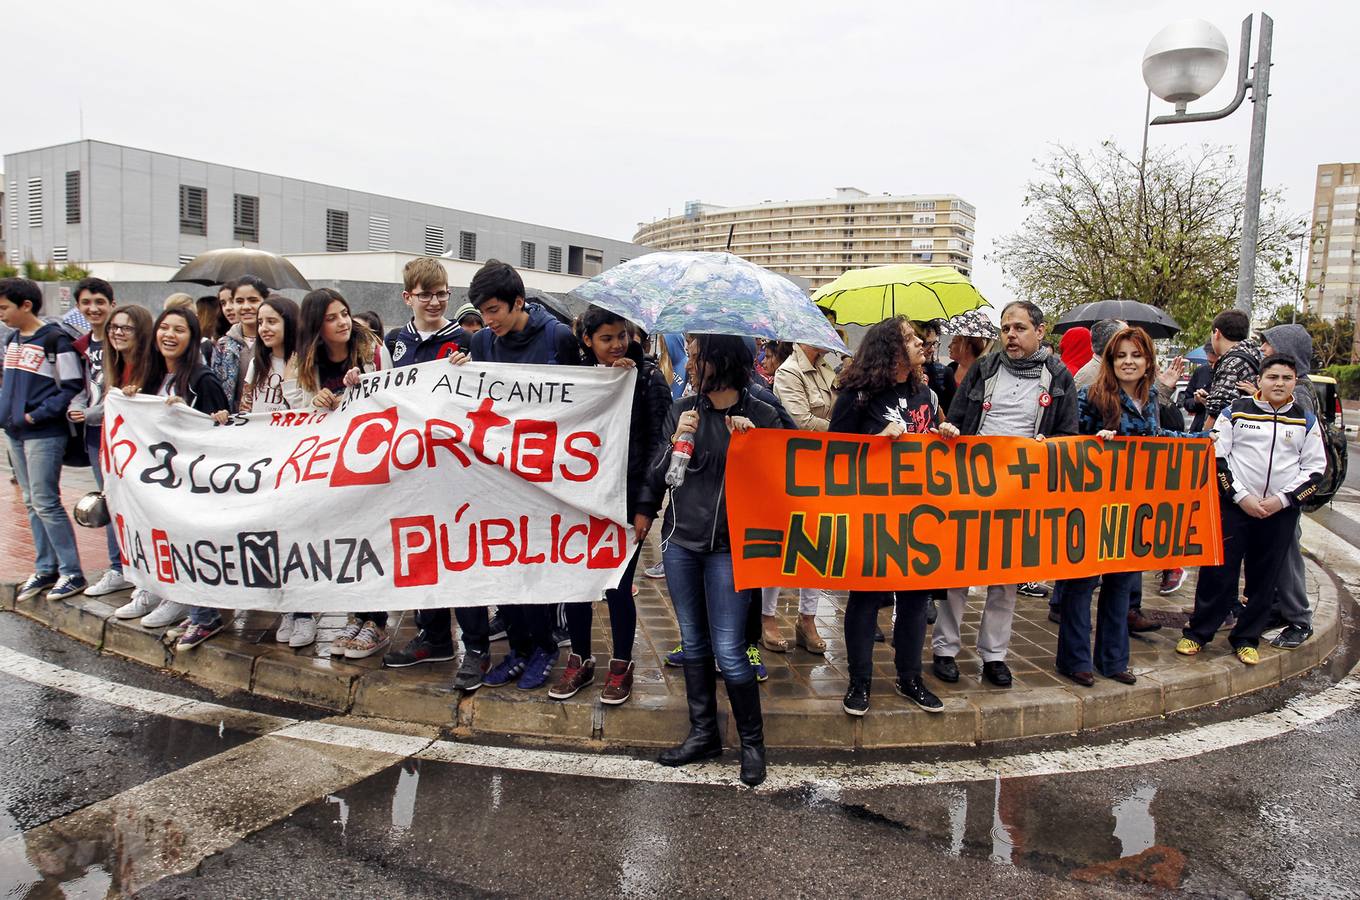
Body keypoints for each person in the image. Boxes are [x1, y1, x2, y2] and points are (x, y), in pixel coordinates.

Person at [640, 334, 783, 787]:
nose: (692, 363)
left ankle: (752, 745)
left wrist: (757, 443)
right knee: (694, 642)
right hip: (681, 542)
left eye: (699, 357)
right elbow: (658, 474)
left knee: (730, 650)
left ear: (721, 362)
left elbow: (794, 469)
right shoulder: (683, 408)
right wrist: (677, 438)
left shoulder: (761, 410)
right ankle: (703, 734)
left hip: (730, 549)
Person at [451, 260, 582, 691]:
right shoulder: (484, 342)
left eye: (494, 310)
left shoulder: (557, 337)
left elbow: (580, 401)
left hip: (545, 476)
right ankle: (520, 649)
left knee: (535, 567)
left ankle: (545, 646)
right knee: (502, 564)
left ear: (519, 302)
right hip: (499, 476)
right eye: (483, 313)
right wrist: (459, 370)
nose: (489, 321)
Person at [936, 300, 1079, 688]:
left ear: (1040, 331)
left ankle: (995, 656)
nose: (1011, 336)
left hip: (1021, 493)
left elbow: (1068, 435)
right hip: (974, 486)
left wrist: (1046, 446)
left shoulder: (1060, 376)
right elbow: (960, 421)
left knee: (1006, 578)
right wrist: (953, 433)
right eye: (1005, 329)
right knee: (958, 571)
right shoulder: (984, 369)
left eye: (1019, 328)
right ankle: (945, 649)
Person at [1057, 327, 1204, 687]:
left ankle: (1113, 659)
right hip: (1093, 506)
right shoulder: (1089, 396)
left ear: (1148, 361)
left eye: (1135, 355)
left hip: (1133, 505)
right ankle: (1073, 660)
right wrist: (1094, 441)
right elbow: (1068, 442)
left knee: (1121, 584)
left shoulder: (1150, 397)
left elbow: (1155, 439)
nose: (1128, 362)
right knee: (1081, 584)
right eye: (1121, 355)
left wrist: (1200, 440)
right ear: (1110, 361)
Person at [830, 317, 957, 715]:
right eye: (910, 338)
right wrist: (874, 441)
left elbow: (931, 434)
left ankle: (910, 677)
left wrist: (944, 432)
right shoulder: (858, 395)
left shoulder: (924, 391)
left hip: (918, 516)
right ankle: (860, 681)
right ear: (890, 348)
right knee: (866, 598)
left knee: (916, 599)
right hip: (873, 514)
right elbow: (833, 454)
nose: (920, 342)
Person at [549, 307, 671, 704]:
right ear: (587, 341)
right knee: (577, 583)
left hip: (626, 499)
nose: (617, 344)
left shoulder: (648, 378)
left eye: (622, 335)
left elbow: (659, 447)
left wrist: (645, 508)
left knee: (619, 585)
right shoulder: (576, 376)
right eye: (606, 338)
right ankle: (580, 658)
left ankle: (621, 664)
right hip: (580, 497)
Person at [1178, 355, 1325, 665]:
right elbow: (1218, 457)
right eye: (1273, 377)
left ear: (1294, 382)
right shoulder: (1235, 413)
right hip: (1235, 507)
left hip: (1279, 512)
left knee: (1263, 579)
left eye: (1286, 378)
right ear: (1260, 380)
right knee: (1219, 572)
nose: (1279, 383)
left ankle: (1246, 638)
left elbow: (1314, 470)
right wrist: (1240, 496)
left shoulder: (1305, 420)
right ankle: (1198, 633)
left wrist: (1282, 500)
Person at [380, 258, 477, 675]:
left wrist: (469, 371)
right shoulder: (393, 341)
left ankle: (474, 644)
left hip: (455, 466)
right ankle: (433, 635)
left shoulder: (466, 342)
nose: (435, 301)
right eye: (426, 295)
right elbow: (380, 394)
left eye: (441, 294)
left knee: (461, 552)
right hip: (411, 466)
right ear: (408, 297)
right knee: (421, 550)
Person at [288, 288, 394, 658]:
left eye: (344, 313)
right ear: (316, 326)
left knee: (373, 540)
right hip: (330, 469)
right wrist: (317, 402)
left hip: (371, 463)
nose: (343, 322)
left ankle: (376, 621)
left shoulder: (373, 352)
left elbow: (393, 399)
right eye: (332, 317)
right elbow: (296, 413)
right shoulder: (303, 362)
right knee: (348, 544)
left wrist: (361, 390)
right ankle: (355, 614)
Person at [137, 308, 233, 649]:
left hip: (193, 482)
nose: (169, 334)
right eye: (164, 327)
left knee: (191, 545)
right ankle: (194, 612)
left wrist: (190, 414)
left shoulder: (201, 380)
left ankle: (204, 616)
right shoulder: (153, 377)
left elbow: (220, 429)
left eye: (180, 329)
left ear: (193, 338)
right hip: (164, 481)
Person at [0, 277, 88, 603]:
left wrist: (35, 415)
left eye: (4, 307)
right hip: (15, 432)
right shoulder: (13, 339)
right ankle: (46, 567)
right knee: (31, 502)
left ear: (26, 305)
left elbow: (71, 385)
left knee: (46, 501)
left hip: (43, 432)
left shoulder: (54, 340)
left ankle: (72, 571)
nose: (1, 314)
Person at [101, 306, 177, 625]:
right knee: (134, 518)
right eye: (114, 328)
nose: (118, 333)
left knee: (163, 525)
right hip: (130, 459)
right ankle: (147, 586)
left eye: (126, 328)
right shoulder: (118, 366)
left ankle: (170, 593)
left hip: (158, 462)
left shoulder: (152, 369)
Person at [767, 339, 839, 653]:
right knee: (783, 544)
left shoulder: (828, 369)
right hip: (793, 467)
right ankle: (767, 616)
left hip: (824, 468)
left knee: (818, 543)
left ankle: (807, 618)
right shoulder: (788, 371)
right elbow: (802, 422)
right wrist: (845, 431)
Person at [65, 278, 133, 598]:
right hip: (95, 435)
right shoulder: (82, 345)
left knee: (130, 500)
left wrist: (92, 412)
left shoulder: (122, 341)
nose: (93, 308)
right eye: (86, 303)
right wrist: (77, 407)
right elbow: (86, 387)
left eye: (99, 302)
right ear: (78, 307)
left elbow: (124, 391)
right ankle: (118, 567)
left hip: (123, 432)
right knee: (107, 498)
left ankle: (132, 568)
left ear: (112, 304)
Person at [1259, 324, 1320, 650]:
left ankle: (1300, 619)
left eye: (1269, 345)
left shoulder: (1298, 395)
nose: (1264, 351)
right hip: (1275, 494)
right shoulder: (1298, 389)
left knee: (1286, 556)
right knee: (1276, 554)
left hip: (1284, 496)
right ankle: (1280, 608)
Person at [212, 275, 269, 411]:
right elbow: (216, 389)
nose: (246, 307)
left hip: (270, 421)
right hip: (233, 424)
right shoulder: (223, 345)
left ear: (265, 301)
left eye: (253, 300)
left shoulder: (275, 342)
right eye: (239, 301)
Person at [1201, 309, 1260, 429]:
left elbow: (1218, 410)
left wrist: (1205, 437)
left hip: (1231, 436)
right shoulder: (1254, 355)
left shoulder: (1231, 364)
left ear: (1217, 333)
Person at [941, 332, 987, 414]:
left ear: (967, 347)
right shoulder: (951, 367)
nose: (949, 346)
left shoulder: (982, 374)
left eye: (954, 342)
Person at [1182, 342, 1218, 433]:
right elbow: (1187, 401)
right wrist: (1196, 401)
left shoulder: (1232, 374)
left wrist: (1208, 402)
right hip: (1199, 428)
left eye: (1217, 363)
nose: (1213, 367)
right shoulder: (1201, 372)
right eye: (1210, 362)